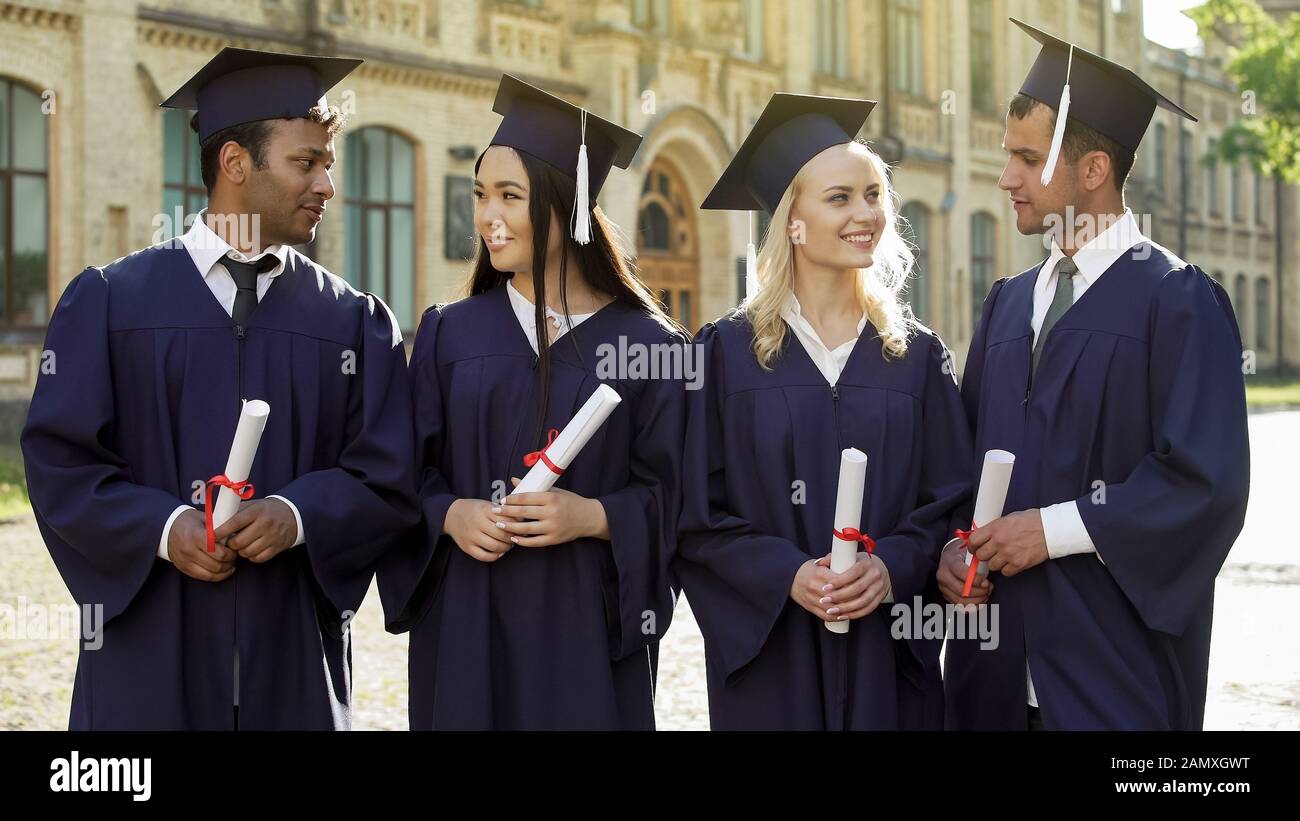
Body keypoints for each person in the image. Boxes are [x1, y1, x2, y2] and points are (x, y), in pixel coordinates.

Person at [21, 48, 417, 729]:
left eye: (328, 162)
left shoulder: (352, 322)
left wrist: (299, 515)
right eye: (306, 162)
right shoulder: (111, 303)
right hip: (149, 659)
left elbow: (387, 479)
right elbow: (63, 467)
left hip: (290, 659)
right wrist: (164, 526)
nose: (327, 184)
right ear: (235, 163)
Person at [940, 19, 1250, 730]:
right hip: (991, 684)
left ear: (1092, 170)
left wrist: (1051, 531)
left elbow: (1206, 484)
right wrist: (955, 546)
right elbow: (960, 467)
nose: (1005, 177)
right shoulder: (1008, 304)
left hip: (1112, 683)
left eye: (1025, 156)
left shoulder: (1176, 302)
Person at [377, 75, 687, 730]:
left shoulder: (649, 345)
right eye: (481, 195)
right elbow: (399, 480)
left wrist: (594, 516)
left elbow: (681, 501)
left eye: (510, 197)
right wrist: (451, 512)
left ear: (567, 207)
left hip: (584, 636)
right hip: (466, 625)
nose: (488, 216)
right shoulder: (449, 333)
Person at [675, 93, 973, 729]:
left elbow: (952, 508)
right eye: (839, 198)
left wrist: (892, 566)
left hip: (888, 665)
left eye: (873, 195)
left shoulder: (916, 356)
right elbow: (696, 518)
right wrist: (786, 574)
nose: (865, 212)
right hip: (772, 667)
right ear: (792, 221)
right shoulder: (725, 354)